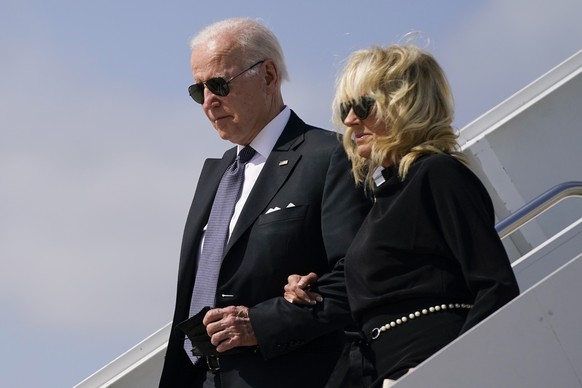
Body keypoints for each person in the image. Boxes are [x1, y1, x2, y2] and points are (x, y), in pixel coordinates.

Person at [284, 43, 520, 387]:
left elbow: (495, 286)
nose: (350, 120)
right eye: (345, 108)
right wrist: (310, 288)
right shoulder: (386, 196)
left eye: (362, 106)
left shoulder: (437, 174)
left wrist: (447, 368)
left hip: (431, 368)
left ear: (404, 104)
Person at [159, 17, 371, 388]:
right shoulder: (218, 174)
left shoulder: (329, 156)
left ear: (268, 76)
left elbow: (357, 276)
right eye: (198, 91)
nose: (208, 102)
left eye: (218, 84)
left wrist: (260, 324)